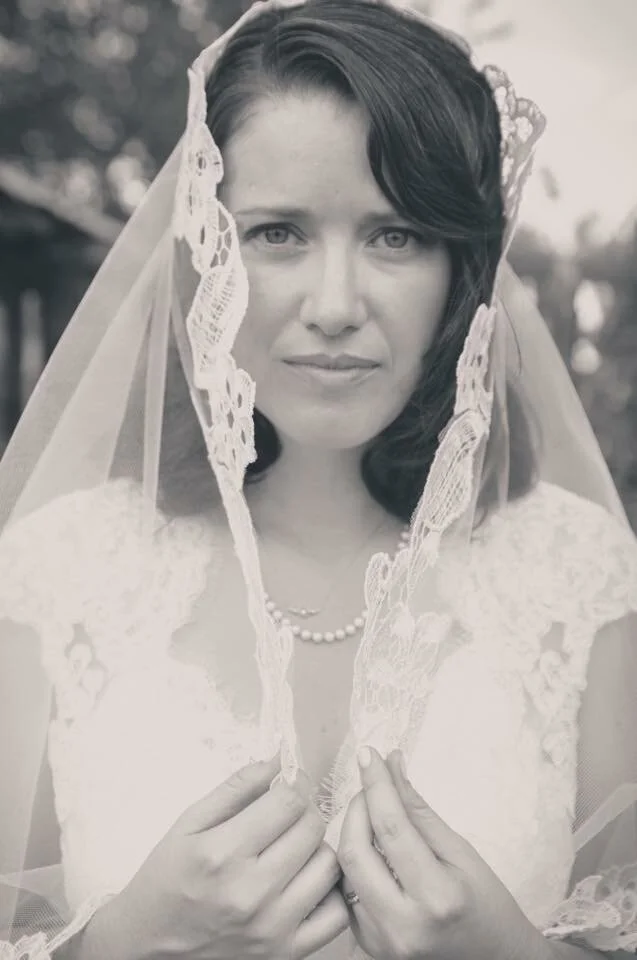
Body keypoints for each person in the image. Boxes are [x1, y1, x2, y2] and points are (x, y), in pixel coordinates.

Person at [1, 1, 636, 959]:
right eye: (277, 233)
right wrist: (122, 943)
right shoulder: (55, 572)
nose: (335, 305)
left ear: (463, 270)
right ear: (207, 251)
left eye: (395, 236)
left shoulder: (578, 576)